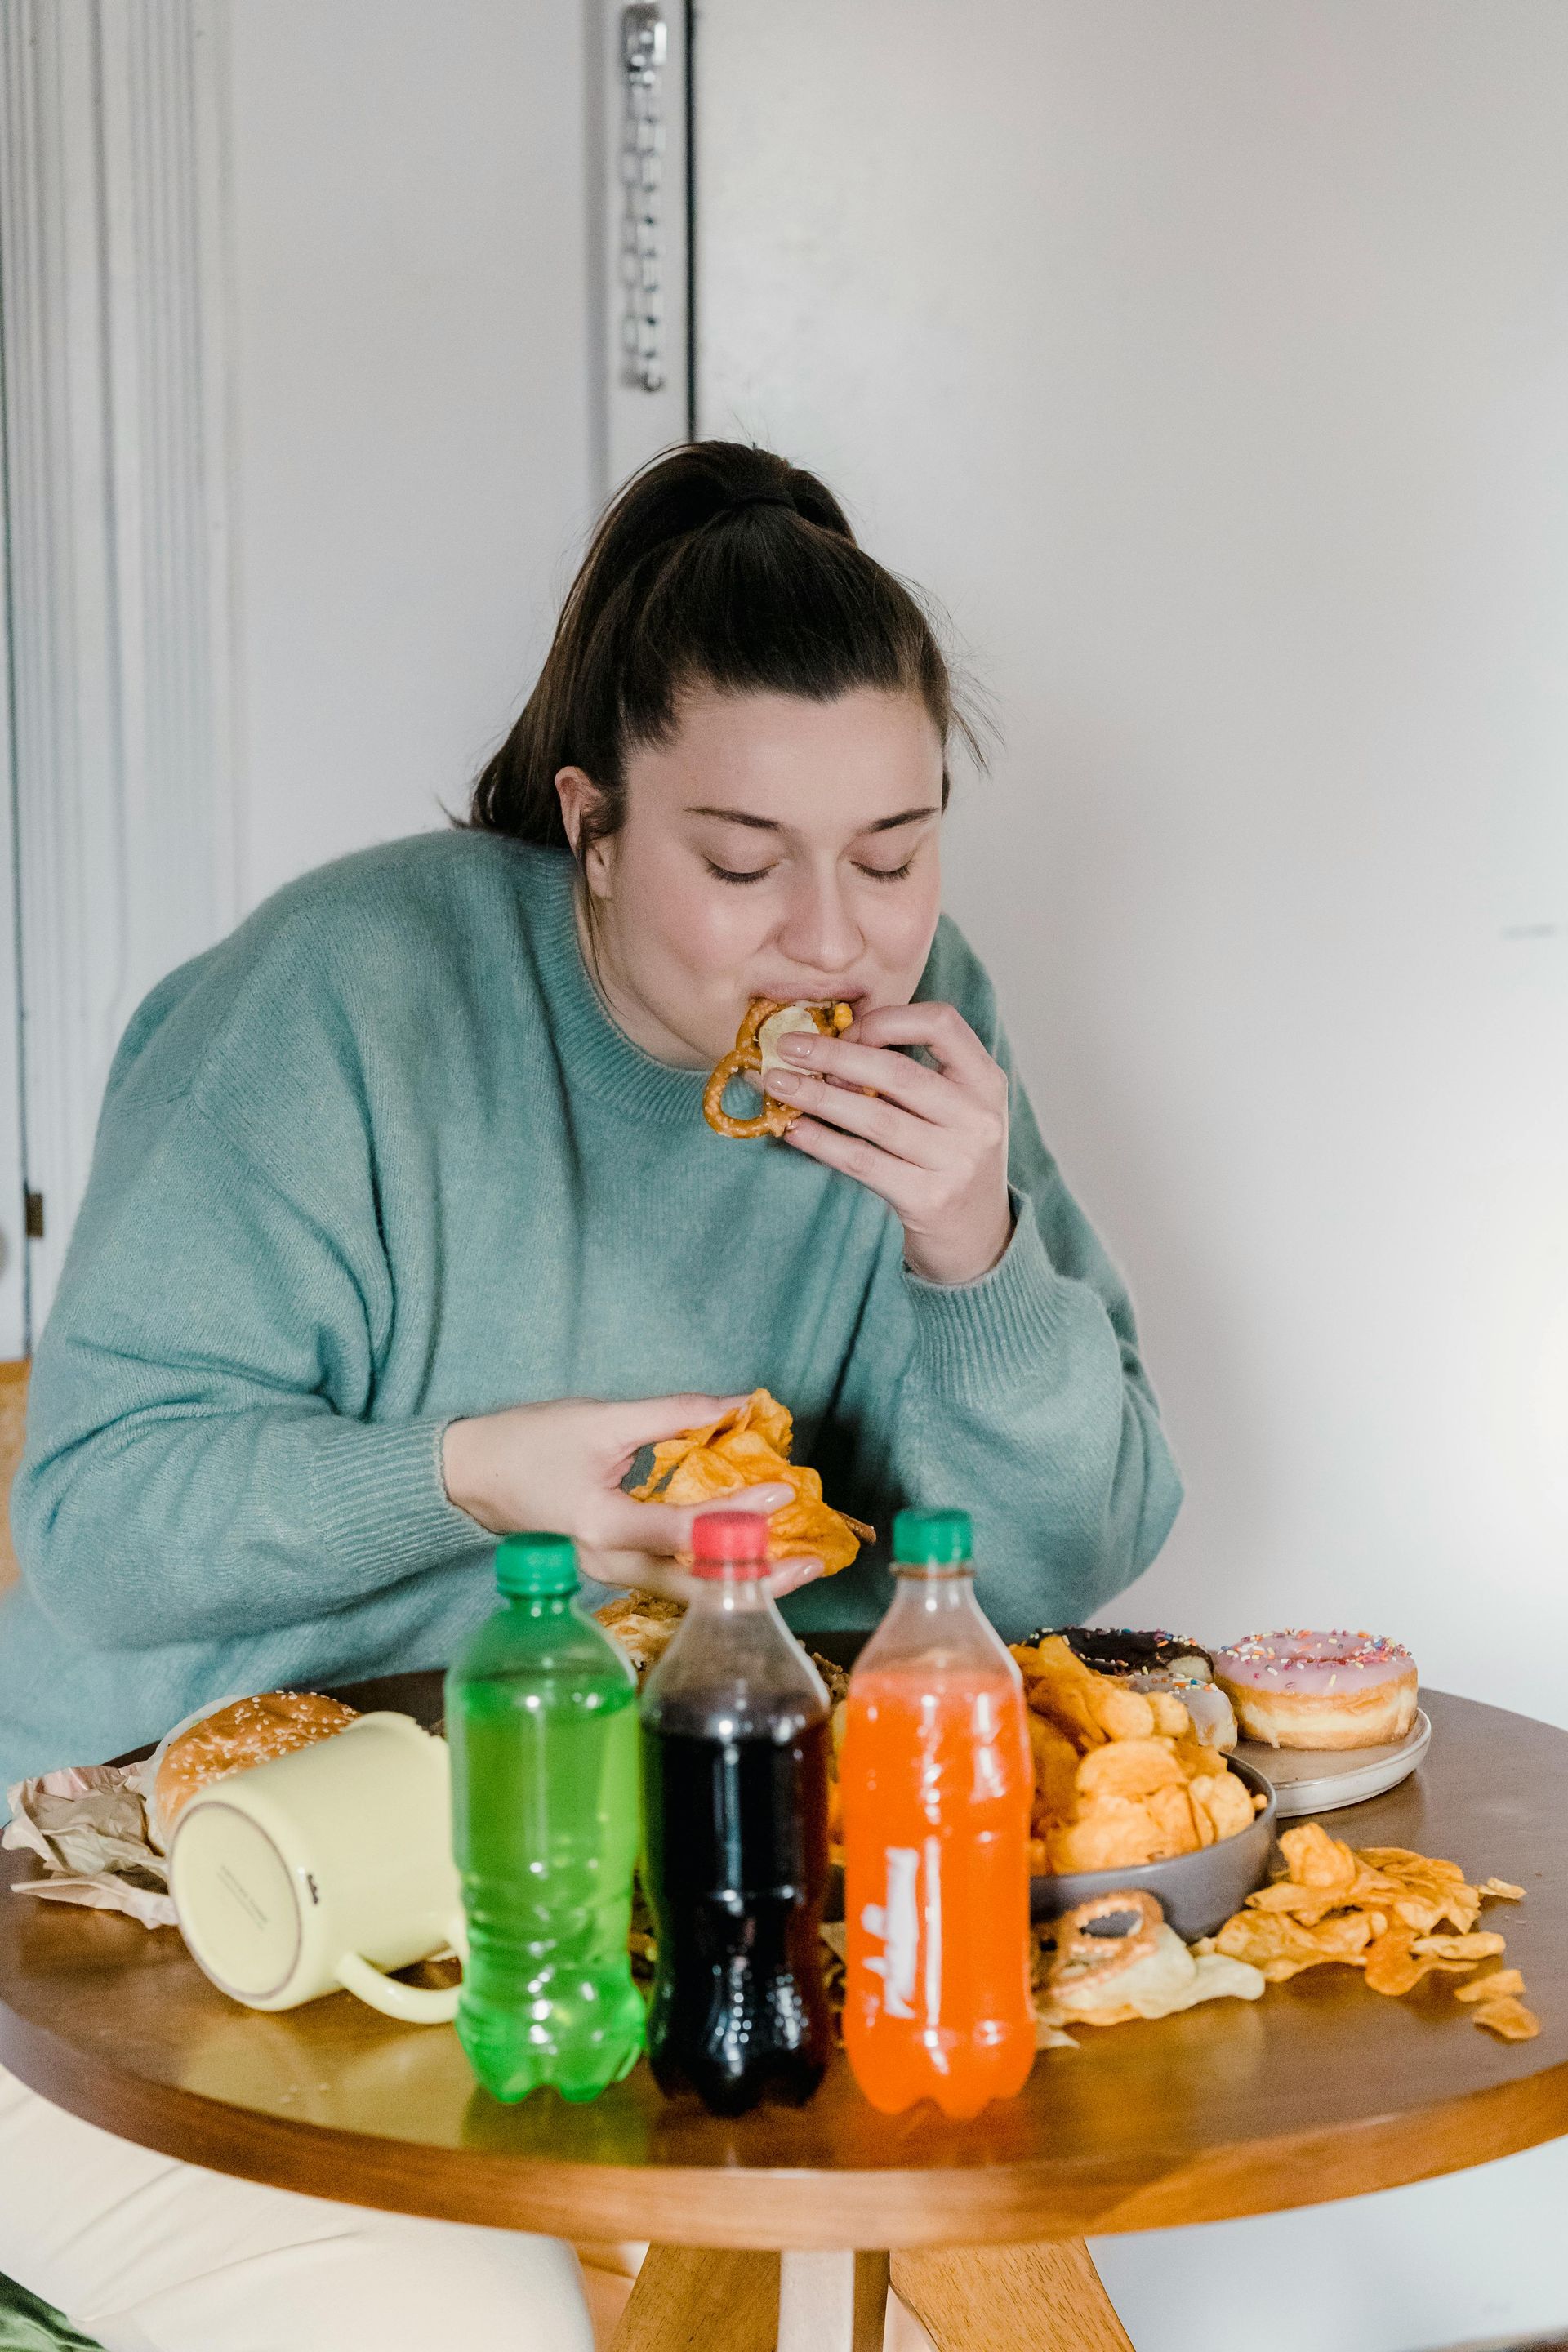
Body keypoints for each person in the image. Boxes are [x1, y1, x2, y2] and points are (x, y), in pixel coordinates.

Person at [0, 441, 1182, 2349]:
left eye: (893, 852)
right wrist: (471, 1477)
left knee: (963, 2205)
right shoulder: (344, 998)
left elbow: (1046, 1569)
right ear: (593, 823)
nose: (835, 939)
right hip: (124, 1919)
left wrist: (973, 1248)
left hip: (600, 1908)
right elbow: (96, 1531)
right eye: (740, 862)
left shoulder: (916, 1018)